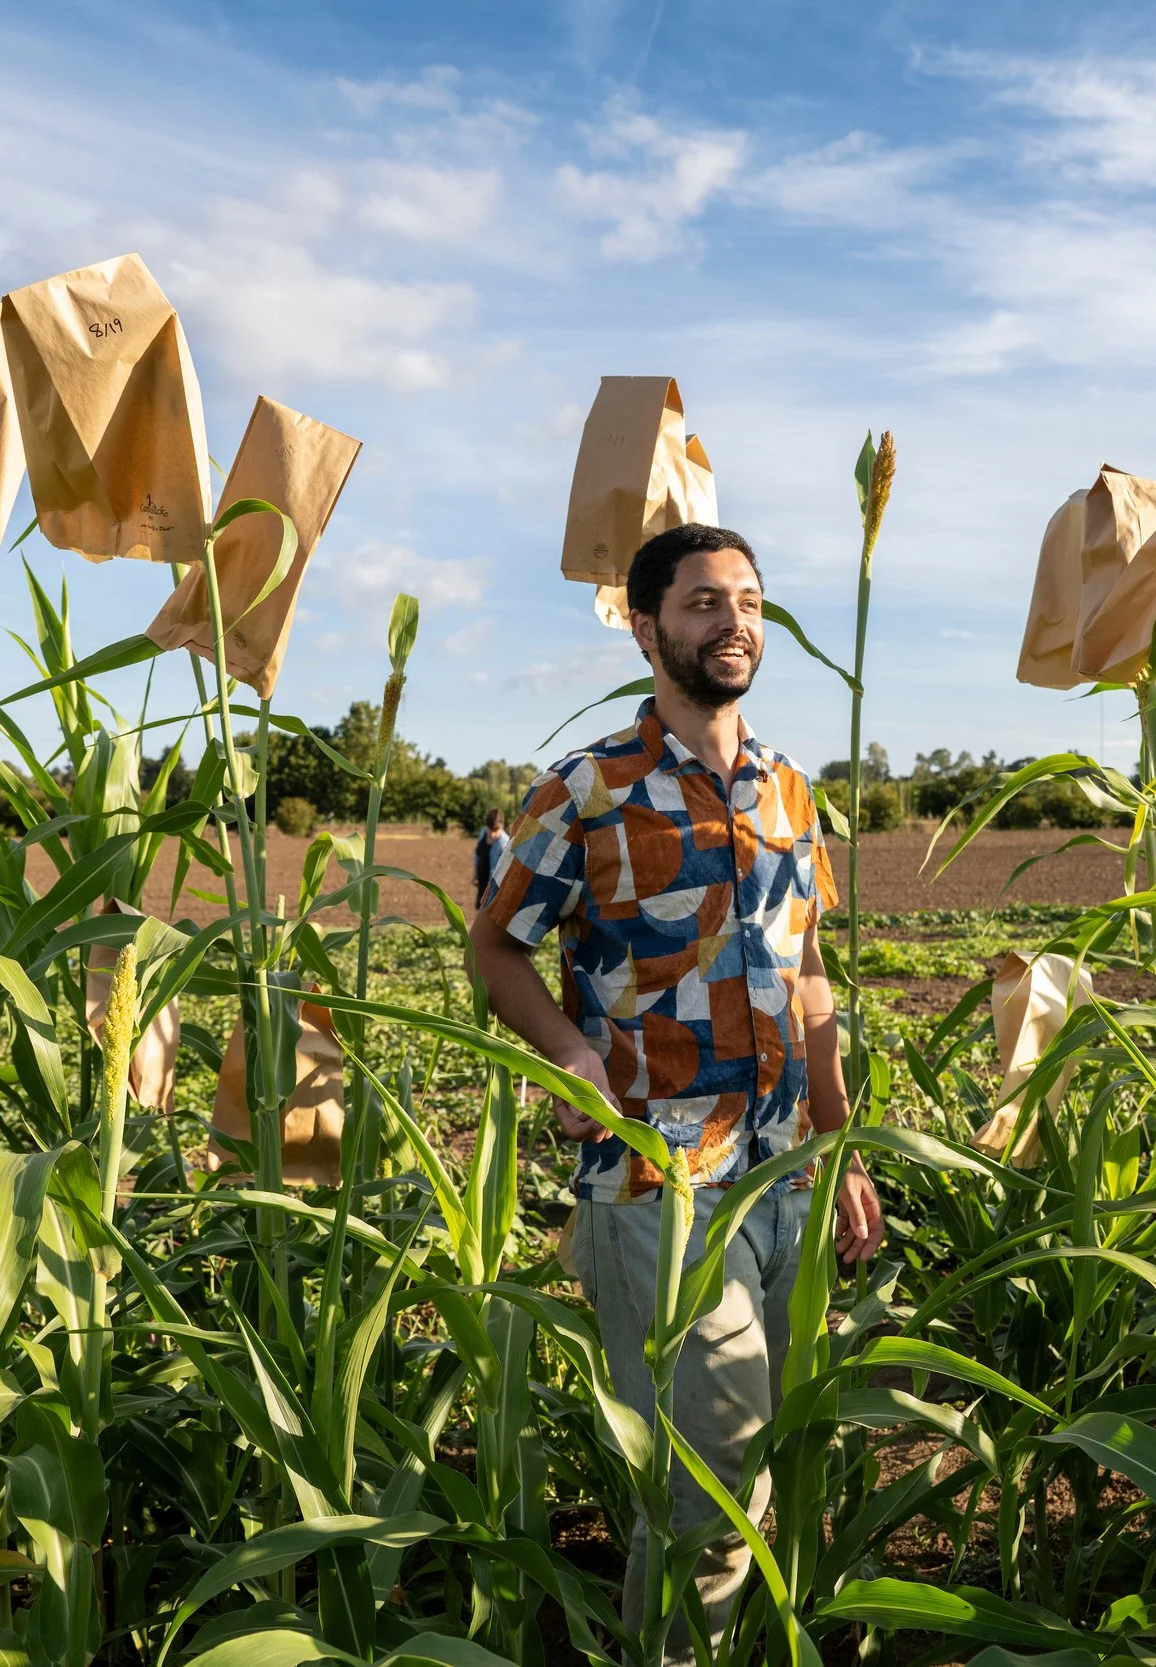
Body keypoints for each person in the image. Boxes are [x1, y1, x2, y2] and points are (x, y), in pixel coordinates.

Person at [468, 522, 884, 1664]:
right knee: (705, 1492)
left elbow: (807, 976)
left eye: (746, 599)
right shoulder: (587, 789)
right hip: (659, 1179)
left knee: (796, 1456)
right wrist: (566, 1051)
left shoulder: (791, 790)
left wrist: (842, 1149)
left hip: (787, 1168)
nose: (732, 621)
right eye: (702, 603)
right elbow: (495, 946)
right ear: (646, 626)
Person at [472, 806, 509, 907]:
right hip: (482, 881)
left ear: (502, 826)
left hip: (493, 887)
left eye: (496, 830)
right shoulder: (483, 833)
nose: (492, 834)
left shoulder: (505, 844)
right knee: (480, 907)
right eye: (490, 830)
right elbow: (477, 854)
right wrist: (475, 875)